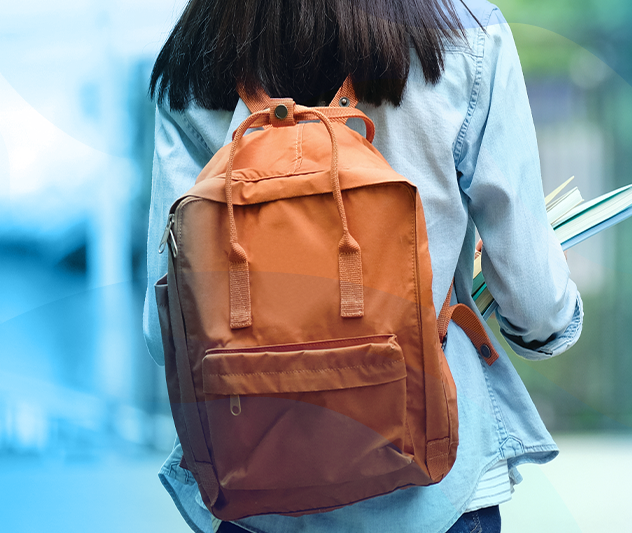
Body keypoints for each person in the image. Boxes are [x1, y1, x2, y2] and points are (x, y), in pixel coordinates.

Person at [143, 1, 583, 532]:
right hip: (437, 492)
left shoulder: (196, 48)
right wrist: (555, 316)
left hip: (254, 494)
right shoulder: (465, 32)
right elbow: (535, 301)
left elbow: (164, 330)